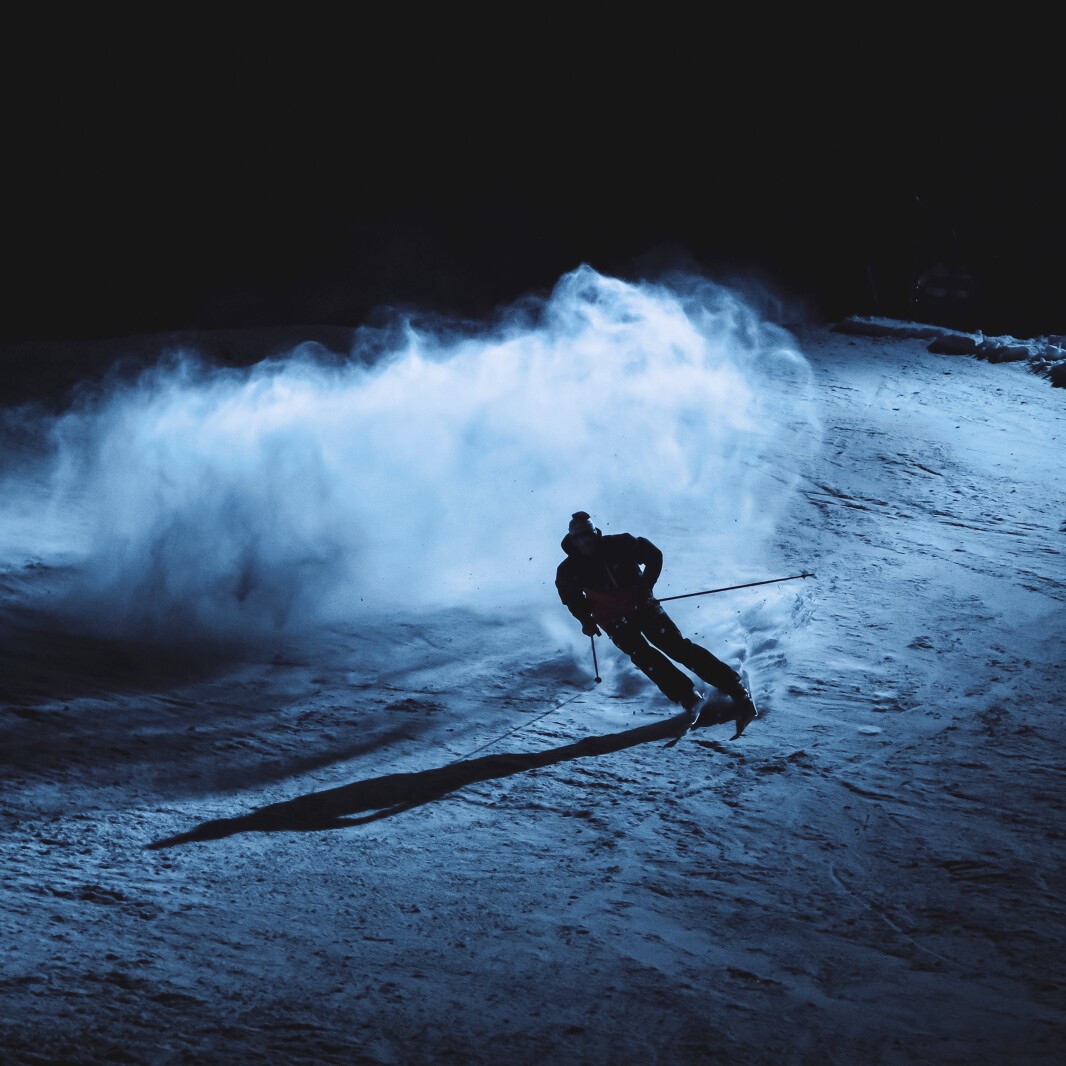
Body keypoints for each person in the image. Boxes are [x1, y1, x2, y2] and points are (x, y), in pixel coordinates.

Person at [555, 511, 757, 738]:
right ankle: (688, 697)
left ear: (595, 533)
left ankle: (734, 688)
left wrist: (644, 587)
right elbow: (571, 598)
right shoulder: (569, 568)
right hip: (613, 621)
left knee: (676, 646)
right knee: (644, 657)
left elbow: (653, 555)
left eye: (589, 535)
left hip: (644, 608)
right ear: (572, 540)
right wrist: (586, 620)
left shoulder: (620, 544)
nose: (586, 541)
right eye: (580, 537)